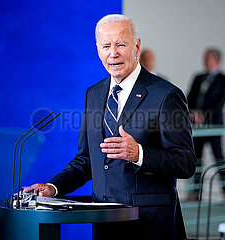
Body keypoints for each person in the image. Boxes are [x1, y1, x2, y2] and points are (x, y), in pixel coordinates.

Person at [25, 14, 196, 240]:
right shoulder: (94, 93)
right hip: (105, 223)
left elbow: (186, 163)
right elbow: (86, 159)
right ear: (98, 50)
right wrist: (53, 188)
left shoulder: (166, 95)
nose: (113, 53)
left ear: (136, 46)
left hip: (149, 224)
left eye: (121, 44)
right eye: (106, 46)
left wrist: (139, 154)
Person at [186, 48, 225, 201]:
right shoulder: (198, 77)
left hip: (214, 125)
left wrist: (203, 114)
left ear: (216, 60)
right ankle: (195, 193)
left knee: (219, 157)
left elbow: (220, 103)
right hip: (197, 126)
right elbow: (189, 97)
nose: (204, 61)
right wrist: (192, 112)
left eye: (207, 58)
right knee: (196, 158)